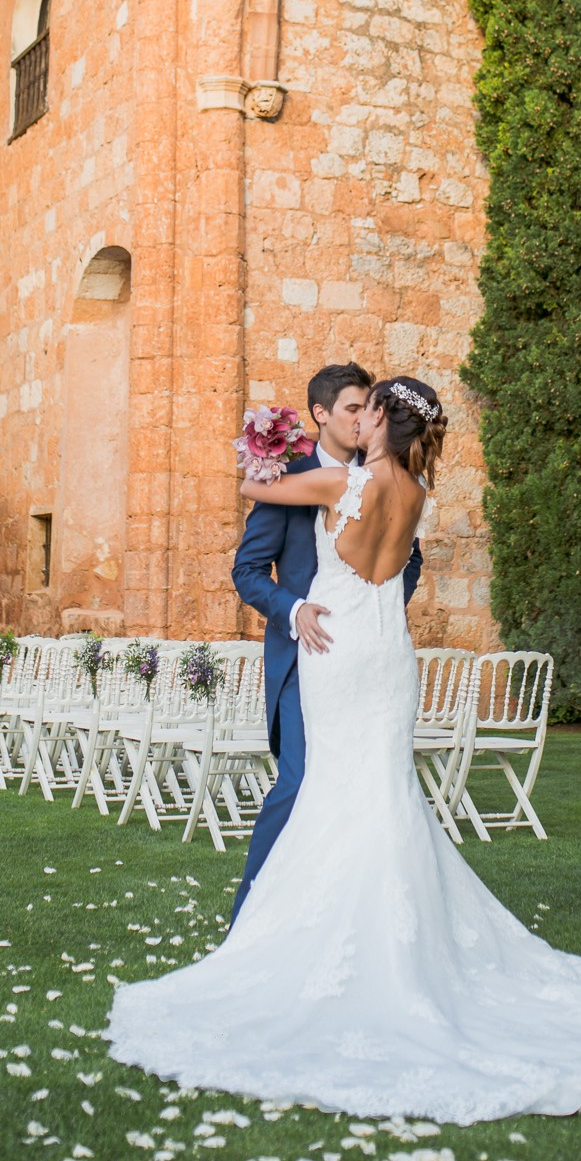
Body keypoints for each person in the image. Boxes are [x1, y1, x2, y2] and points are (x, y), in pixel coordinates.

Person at [105, 377, 581, 1123]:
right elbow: (390, 569)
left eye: (367, 410)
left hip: (335, 648)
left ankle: (308, 948)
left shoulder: (339, 480)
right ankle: (381, 942)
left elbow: (251, 486)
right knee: (379, 791)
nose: (358, 417)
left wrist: (263, 450)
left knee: (340, 790)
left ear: (380, 422)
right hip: (385, 651)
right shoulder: (416, 490)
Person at [228, 361, 422, 919]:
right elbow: (247, 570)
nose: (364, 419)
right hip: (304, 657)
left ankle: (348, 916)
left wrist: (370, 611)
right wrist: (292, 609)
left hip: (366, 655)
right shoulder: (287, 477)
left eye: (370, 409)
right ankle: (253, 915)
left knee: (369, 786)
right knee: (299, 782)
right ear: (321, 414)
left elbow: (410, 562)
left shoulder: (383, 475)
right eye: (353, 408)